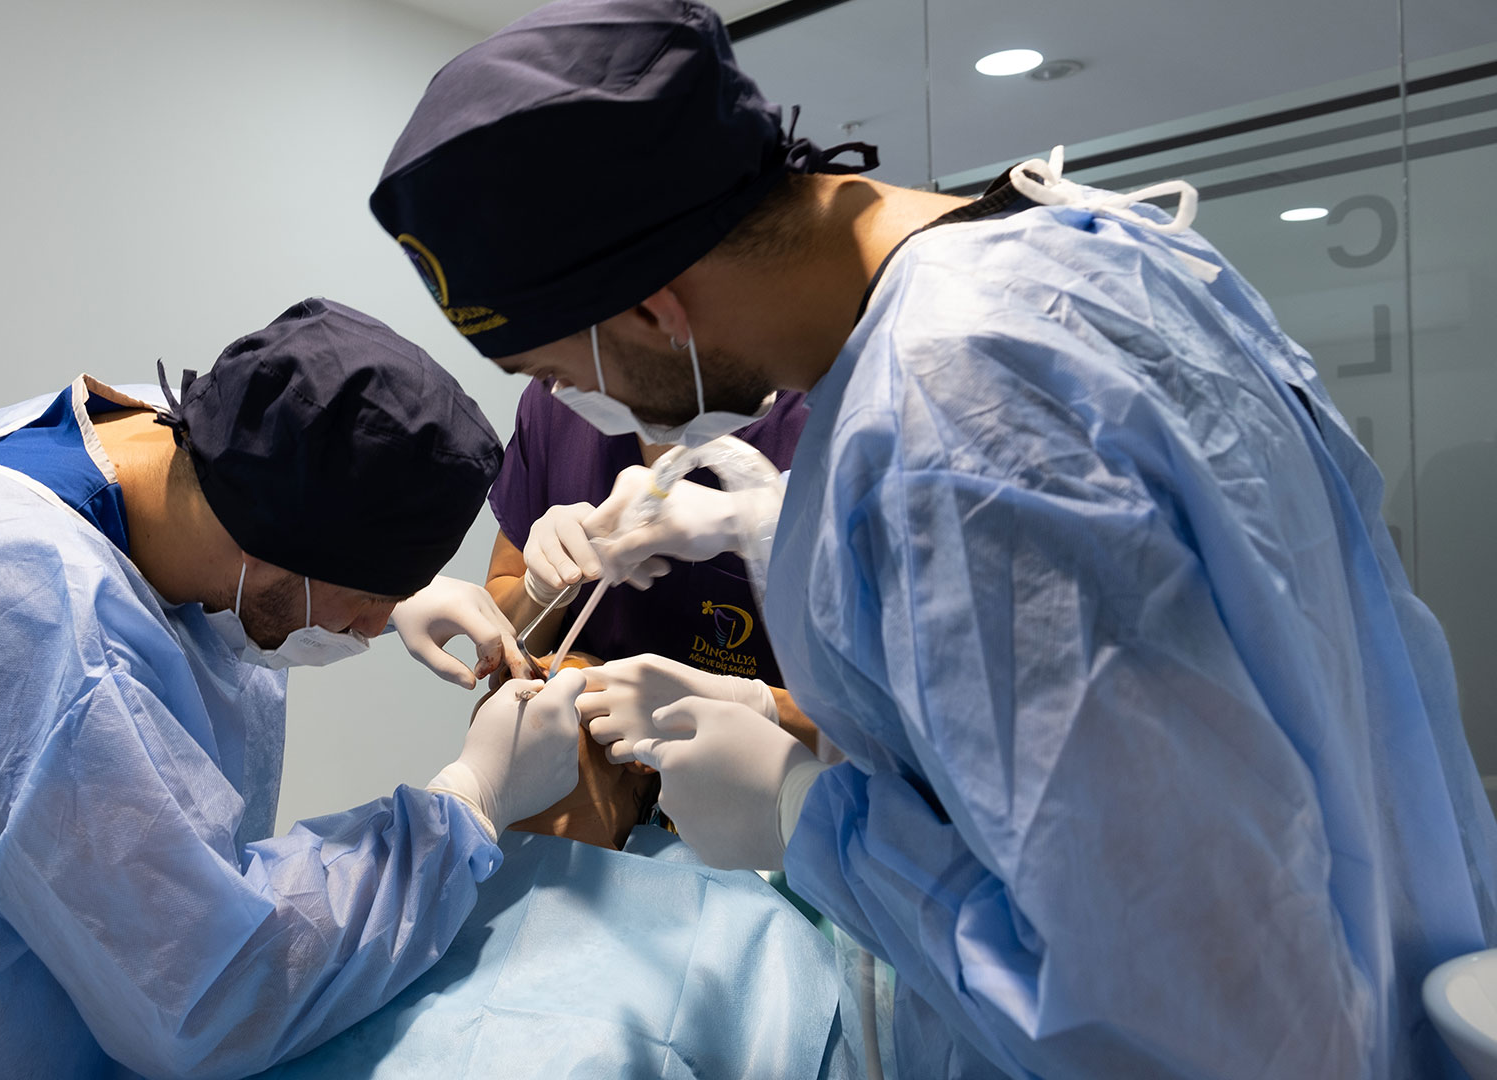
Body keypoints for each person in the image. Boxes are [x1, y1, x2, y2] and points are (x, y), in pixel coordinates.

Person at [369, 2, 1497, 1077]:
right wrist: (777, 527)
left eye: (557, 372)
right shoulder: (1083, 256)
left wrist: (804, 815)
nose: (574, 409)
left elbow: (1169, 1010)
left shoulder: (953, 415)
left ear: (655, 312)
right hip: (1396, 973)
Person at [0, 297, 589, 1080]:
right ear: (273, 554)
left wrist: (381, 589)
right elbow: (207, 993)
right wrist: (468, 803)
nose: (369, 628)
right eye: (368, 604)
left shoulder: (156, 448)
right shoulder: (26, 615)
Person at [258, 659, 868, 1079]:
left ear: (637, 765)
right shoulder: (398, 871)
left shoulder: (743, 932)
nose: (524, 684)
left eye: (556, 675)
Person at [485, 378, 824, 755]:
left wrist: (746, 707)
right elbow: (501, 653)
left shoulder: (820, 422)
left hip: (774, 773)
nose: (565, 380)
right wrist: (540, 589)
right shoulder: (561, 397)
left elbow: (874, 721)